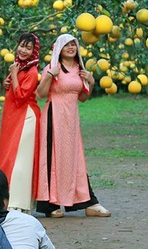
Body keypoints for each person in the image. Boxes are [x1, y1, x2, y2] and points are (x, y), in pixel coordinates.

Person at [35, 33, 111, 218]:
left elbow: (83, 98)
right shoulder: (52, 68)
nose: (71, 48)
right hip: (54, 115)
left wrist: (91, 82)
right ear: (59, 48)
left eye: (73, 44)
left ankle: (87, 202)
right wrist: (48, 77)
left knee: (74, 158)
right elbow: (40, 94)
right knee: (52, 157)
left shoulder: (79, 69)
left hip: (72, 119)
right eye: (67, 45)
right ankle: (49, 205)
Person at [0, 33, 41, 212]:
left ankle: (19, 203)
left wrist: (14, 75)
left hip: (26, 117)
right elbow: (14, 91)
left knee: (21, 160)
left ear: (34, 51)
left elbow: (22, 96)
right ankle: (9, 199)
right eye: (22, 46)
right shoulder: (19, 67)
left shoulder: (32, 71)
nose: (23, 50)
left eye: (29, 48)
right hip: (15, 116)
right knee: (11, 156)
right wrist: (9, 81)